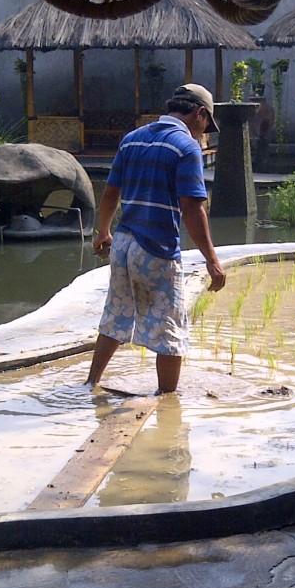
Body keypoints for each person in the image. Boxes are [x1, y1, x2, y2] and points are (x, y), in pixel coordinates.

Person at [86, 83, 227, 393]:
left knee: (115, 315)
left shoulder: (132, 139)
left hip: (123, 244)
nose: (203, 132)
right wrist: (212, 261)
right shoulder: (185, 147)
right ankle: (166, 401)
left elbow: (111, 192)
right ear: (199, 113)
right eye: (206, 125)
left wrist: (104, 232)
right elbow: (192, 208)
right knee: (169, 328)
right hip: (156, 250)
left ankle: (91, 382)